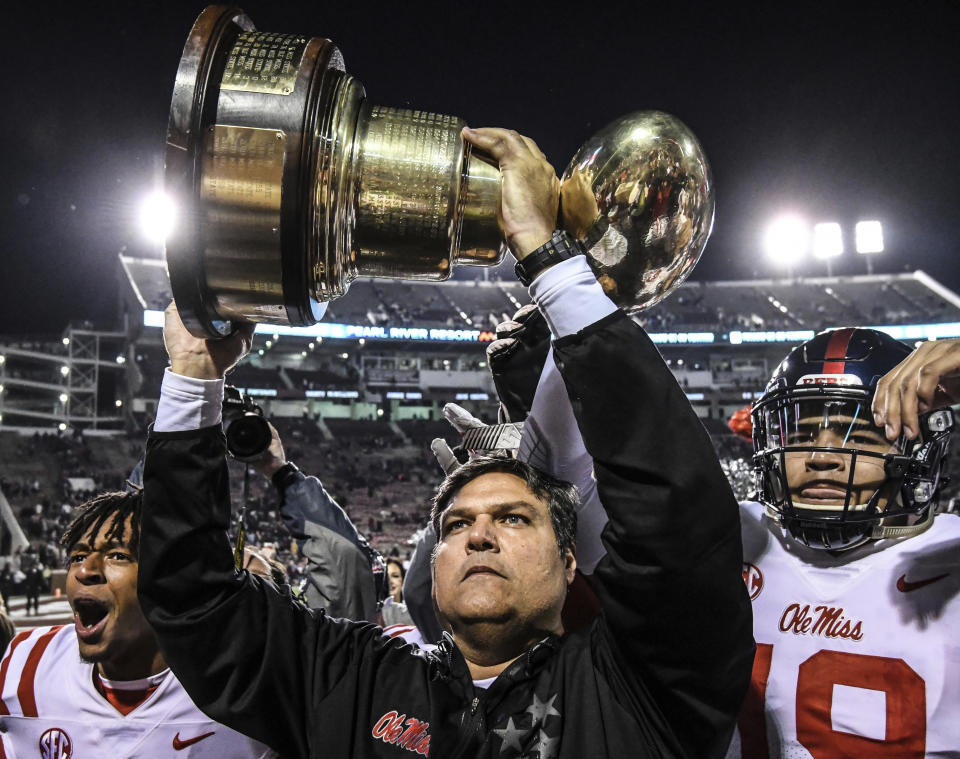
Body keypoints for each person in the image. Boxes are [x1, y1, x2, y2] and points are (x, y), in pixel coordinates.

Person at [137, 126, 753, 759]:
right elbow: (194, 602)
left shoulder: (644, 686)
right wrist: (192, 378)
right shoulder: (355, 679)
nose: (477, 535)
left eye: (513, 517)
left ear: (572, 563)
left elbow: (679, 525)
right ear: (433, 568)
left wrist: (550, 257)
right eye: (456, 524)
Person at [726, 328, 960, 758]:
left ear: (919, 454)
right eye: (802, 435)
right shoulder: (732, 535)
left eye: (860, 437)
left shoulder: (952, 557)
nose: (823, 456)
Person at [0, 491, 277, 757]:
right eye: (78, 557)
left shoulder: (244, 684)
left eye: (117, 555)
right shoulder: (28, 663)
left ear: (169, 581)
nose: (85, 571)